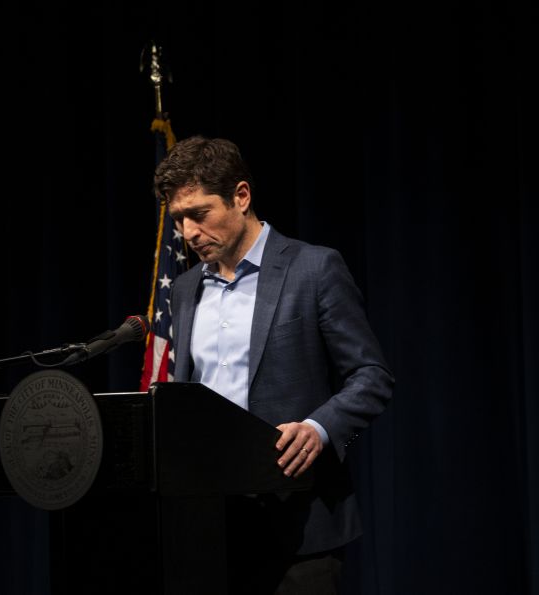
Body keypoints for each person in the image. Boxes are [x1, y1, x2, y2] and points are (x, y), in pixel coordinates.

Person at [156, 135, 395, 594]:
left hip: (299, 525)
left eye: (199, 214)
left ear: (240, 197)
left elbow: (371, 375)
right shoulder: (186, 290)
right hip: (211, 529)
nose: (188, 233)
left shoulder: (314, 269)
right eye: (179, 220)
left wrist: (318, 428)